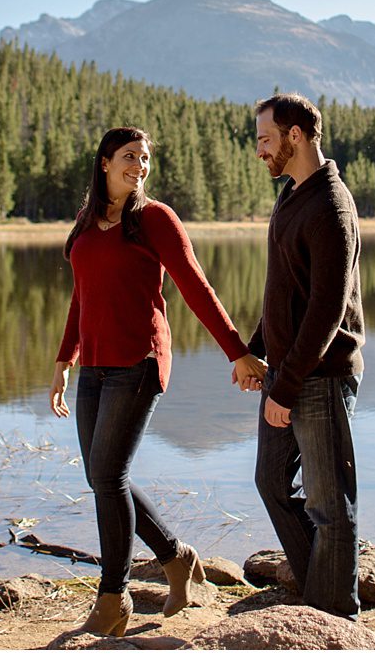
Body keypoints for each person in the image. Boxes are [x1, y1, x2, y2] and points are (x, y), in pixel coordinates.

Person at [50, 126, 269, 637]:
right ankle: (176, 557)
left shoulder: (154, 219)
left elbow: (195, 287)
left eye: (145, 158)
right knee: (104, 478)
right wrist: (65, 360)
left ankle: (113, 596)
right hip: (95, 366)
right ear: (104, 162)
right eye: (130, 156)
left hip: (139, 362)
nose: (140, 166)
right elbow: (81, 298)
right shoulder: (87, 221)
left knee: (107, 476)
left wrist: (237, 352)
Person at [244, 92, 366, 620]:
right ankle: (319, 595)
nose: (259, 152)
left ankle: (338, 618)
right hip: (289, 371)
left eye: (265, 140)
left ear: (295, 136)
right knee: (271, 482)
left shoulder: (331, 206)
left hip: (320, 375)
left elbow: (325, 310)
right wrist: (253, 350)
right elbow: (285, 289)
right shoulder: (294, 194)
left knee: (329, 505)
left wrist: (287, 387)